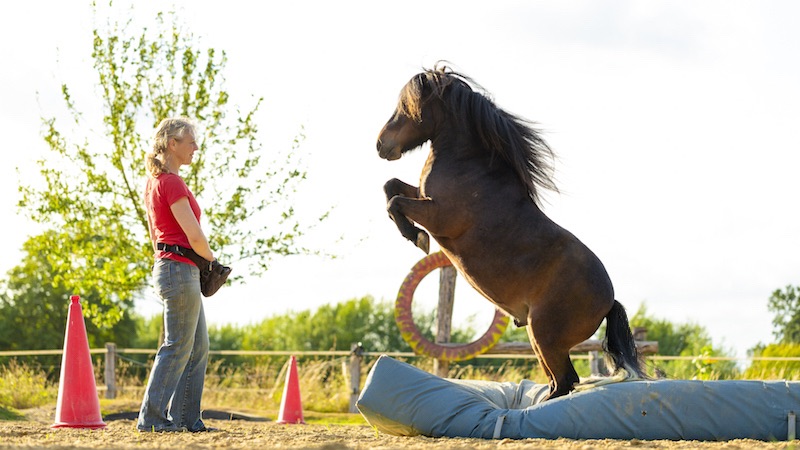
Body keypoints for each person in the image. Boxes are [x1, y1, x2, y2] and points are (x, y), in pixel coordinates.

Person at [137, 117, 217, 433]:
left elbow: (154, 236)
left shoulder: (154, 183)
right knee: (177, 347)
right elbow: (194, 235)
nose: (195, 147)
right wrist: (212, 262)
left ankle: (187, 419)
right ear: (173, 144)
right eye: (190, 142)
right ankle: (153, 419)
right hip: (179, 268)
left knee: (197, 348)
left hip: (172, 267)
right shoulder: (171, 183)